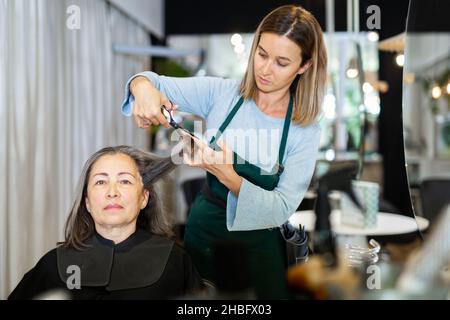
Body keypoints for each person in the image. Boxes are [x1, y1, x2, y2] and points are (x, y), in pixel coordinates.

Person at [121, 5, 326, 299]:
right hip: (202, 235)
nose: (265, 69)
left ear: (304, 66)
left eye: (281, 62)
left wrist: (227, 175)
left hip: (260, 247)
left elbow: (281, 207)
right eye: (262, 54)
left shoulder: (304, 130)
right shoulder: (222, 94)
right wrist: (143, 91)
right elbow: (148, 81)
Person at [8, 146, 202, 300]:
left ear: (143, 198)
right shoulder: (53, 265)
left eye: (124, 181)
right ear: (87, 202)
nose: (112, 192)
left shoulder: (174, 260)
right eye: (100, 182)